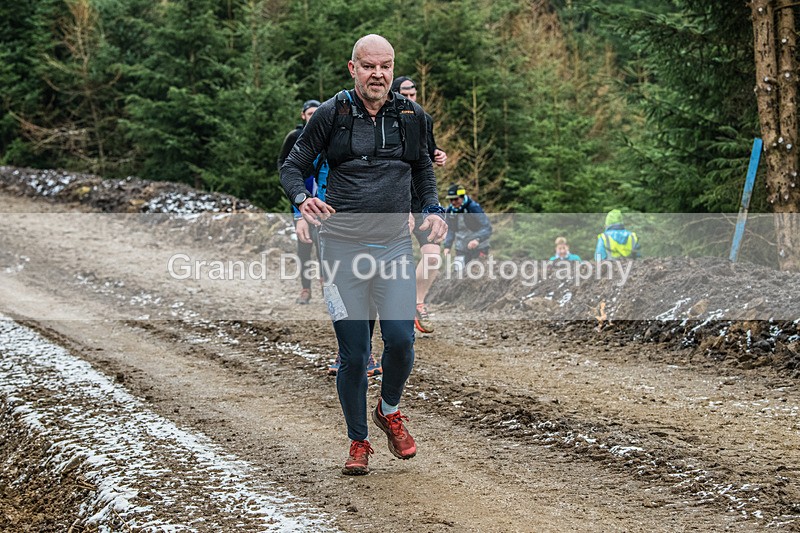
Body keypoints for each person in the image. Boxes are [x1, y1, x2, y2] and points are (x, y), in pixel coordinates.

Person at [280, 34, 447, 476]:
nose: (378, 74)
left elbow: (422, 168)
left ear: (393, 68)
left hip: (394, 245)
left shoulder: (412, 116)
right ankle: (359, 441)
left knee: (402, 340)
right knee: (354, 355)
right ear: (352, 68)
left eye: (386, 65)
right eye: (369, 66)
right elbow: (292, 164)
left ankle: (388, 410)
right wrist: (302, 198)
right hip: (340, 249)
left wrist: (430, 209)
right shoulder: (333, 114)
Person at [391, 76, 447, 333]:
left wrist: (439, 154)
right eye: (406, 94)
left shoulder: (423, 118)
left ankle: (417, 303)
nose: (411, 98)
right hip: (392, 199)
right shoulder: (383, 120)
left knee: (433, 257)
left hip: (420, 199)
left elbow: (426, 155)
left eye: (414, 94)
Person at [277, 99, 322, 304]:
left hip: (323, 201)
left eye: (317, 113)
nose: (313, 116)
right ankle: (305, 289)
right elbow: (283, 164)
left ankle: (326, 286)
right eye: (310, 113)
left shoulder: (327, 136)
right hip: (300, 199)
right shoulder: (294, 137)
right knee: (304, 246)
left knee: (325, 246)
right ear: (303, 115)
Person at [442, 184, 492, 271]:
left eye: (456, 199)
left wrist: (477, 239)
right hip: (461, 247)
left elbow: (487, 227)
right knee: (458, 273)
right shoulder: (450, 211)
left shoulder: (474, 208)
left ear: (462, 197)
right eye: (451, 199)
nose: (453, 202)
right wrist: (447, 246)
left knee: (477, 273)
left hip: (479, 247)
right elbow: (450, 229)